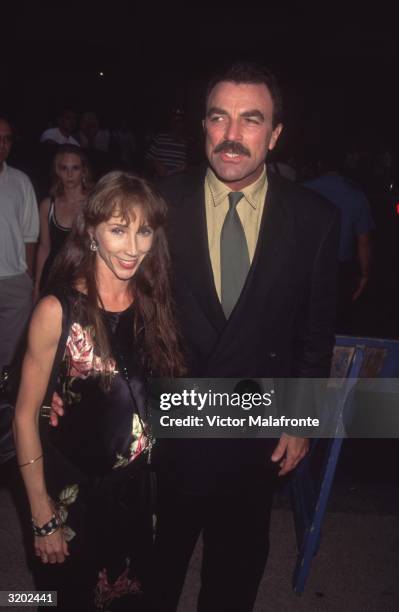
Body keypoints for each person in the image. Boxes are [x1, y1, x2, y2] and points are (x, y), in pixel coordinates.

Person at [150, 62, 340, 612]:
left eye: (251, 120)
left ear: (275, 134)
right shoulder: (158, 204)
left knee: (233, 575)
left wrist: (303, 422)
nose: (232, 136)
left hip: (252, 431)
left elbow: (314, 333)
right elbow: (116, 310)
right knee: (152, 569)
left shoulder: (315, 219)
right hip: (170, 427)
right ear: (203, 127)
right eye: (219, 118)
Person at [13, 171, 185, 611]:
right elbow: (24, 415)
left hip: (137, 493)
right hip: (76, 497)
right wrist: (42, 517)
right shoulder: (58, 310)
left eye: (143, 230)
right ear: (92, 232)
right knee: (73, 598)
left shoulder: (153, 301)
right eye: (118, 229)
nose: (133, 247)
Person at [304, 152, 374, 332]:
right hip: (339, 270)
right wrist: (364, 274)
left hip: (305, 266)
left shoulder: (304, 189)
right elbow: (363, 241)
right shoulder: (355, 194)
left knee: (305, 323)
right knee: (336, 324)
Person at [0, 117, 39, 373]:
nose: (2, 145)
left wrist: (28, 277)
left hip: (14, 280)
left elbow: (30, 234)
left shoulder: (20, 181)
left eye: (6, 139)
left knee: (9, 355)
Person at [34, 145, 92, 297]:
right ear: (57, 171)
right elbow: (44, 248)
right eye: (64, 168)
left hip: (84, 279)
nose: (70, 174)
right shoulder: (48, 205)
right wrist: (36, 286)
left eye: (75, 168)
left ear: (83, 171)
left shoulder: (94, 204)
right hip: (53, 278)